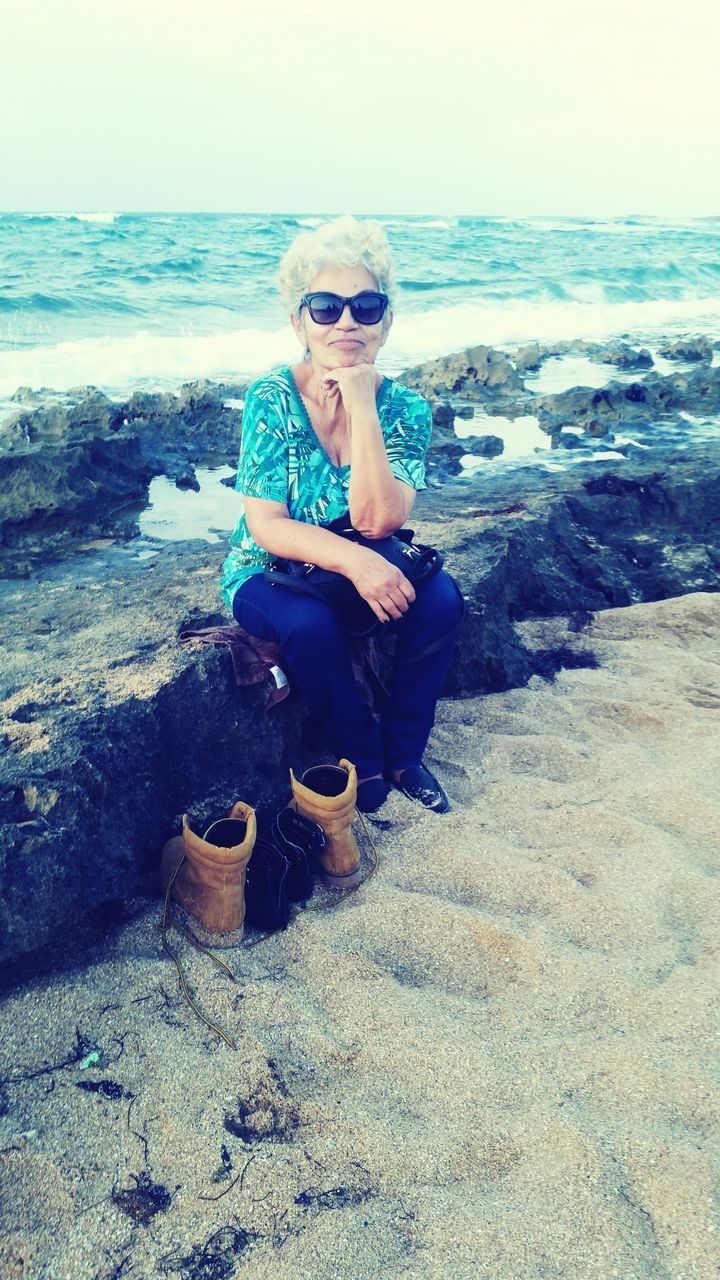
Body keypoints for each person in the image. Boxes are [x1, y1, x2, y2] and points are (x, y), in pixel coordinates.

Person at [219, 216, 463, 814]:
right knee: (308, 628)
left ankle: (405, 752)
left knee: (440, 602)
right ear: (298, 320)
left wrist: (361, 405)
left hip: (358, 551)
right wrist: (356, 562)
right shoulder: (271, 397)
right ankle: (361, 753)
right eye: (325, 306)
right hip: (269, 568)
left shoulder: (405, 408)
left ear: (386, 320)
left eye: (366, 305)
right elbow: (268, 526)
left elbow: (380, 520)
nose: (347, 321)